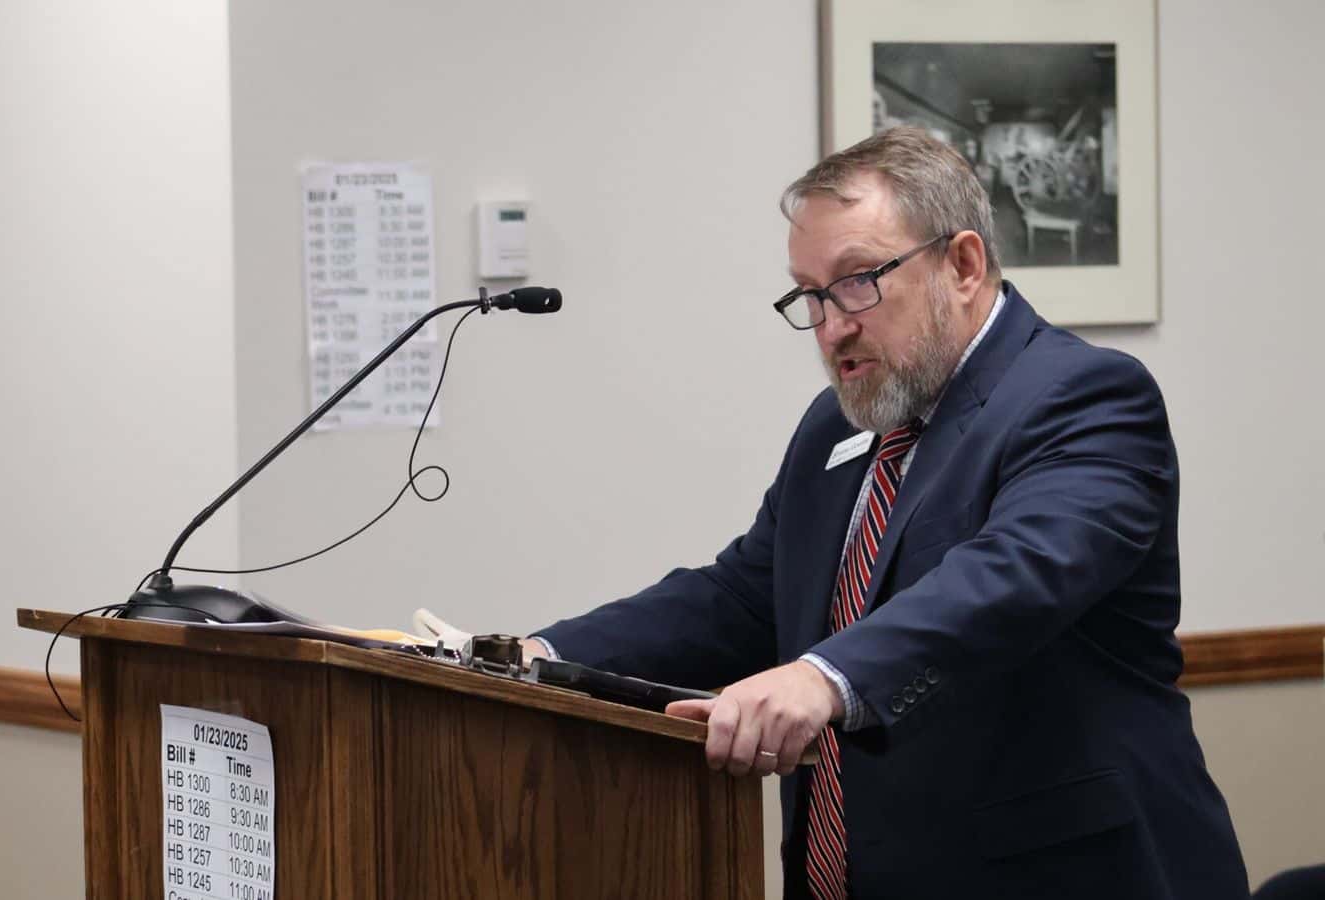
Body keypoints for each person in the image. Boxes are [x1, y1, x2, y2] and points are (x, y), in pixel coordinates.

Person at [523, 127, 1248, 898]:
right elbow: (741, 595)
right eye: (810, 295)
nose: (832, 326)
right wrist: (540, 657)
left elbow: (1013, 576)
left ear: (963, 265)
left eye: (857, 280)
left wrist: (824, 677)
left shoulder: (1084, 396)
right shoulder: (838, 426)